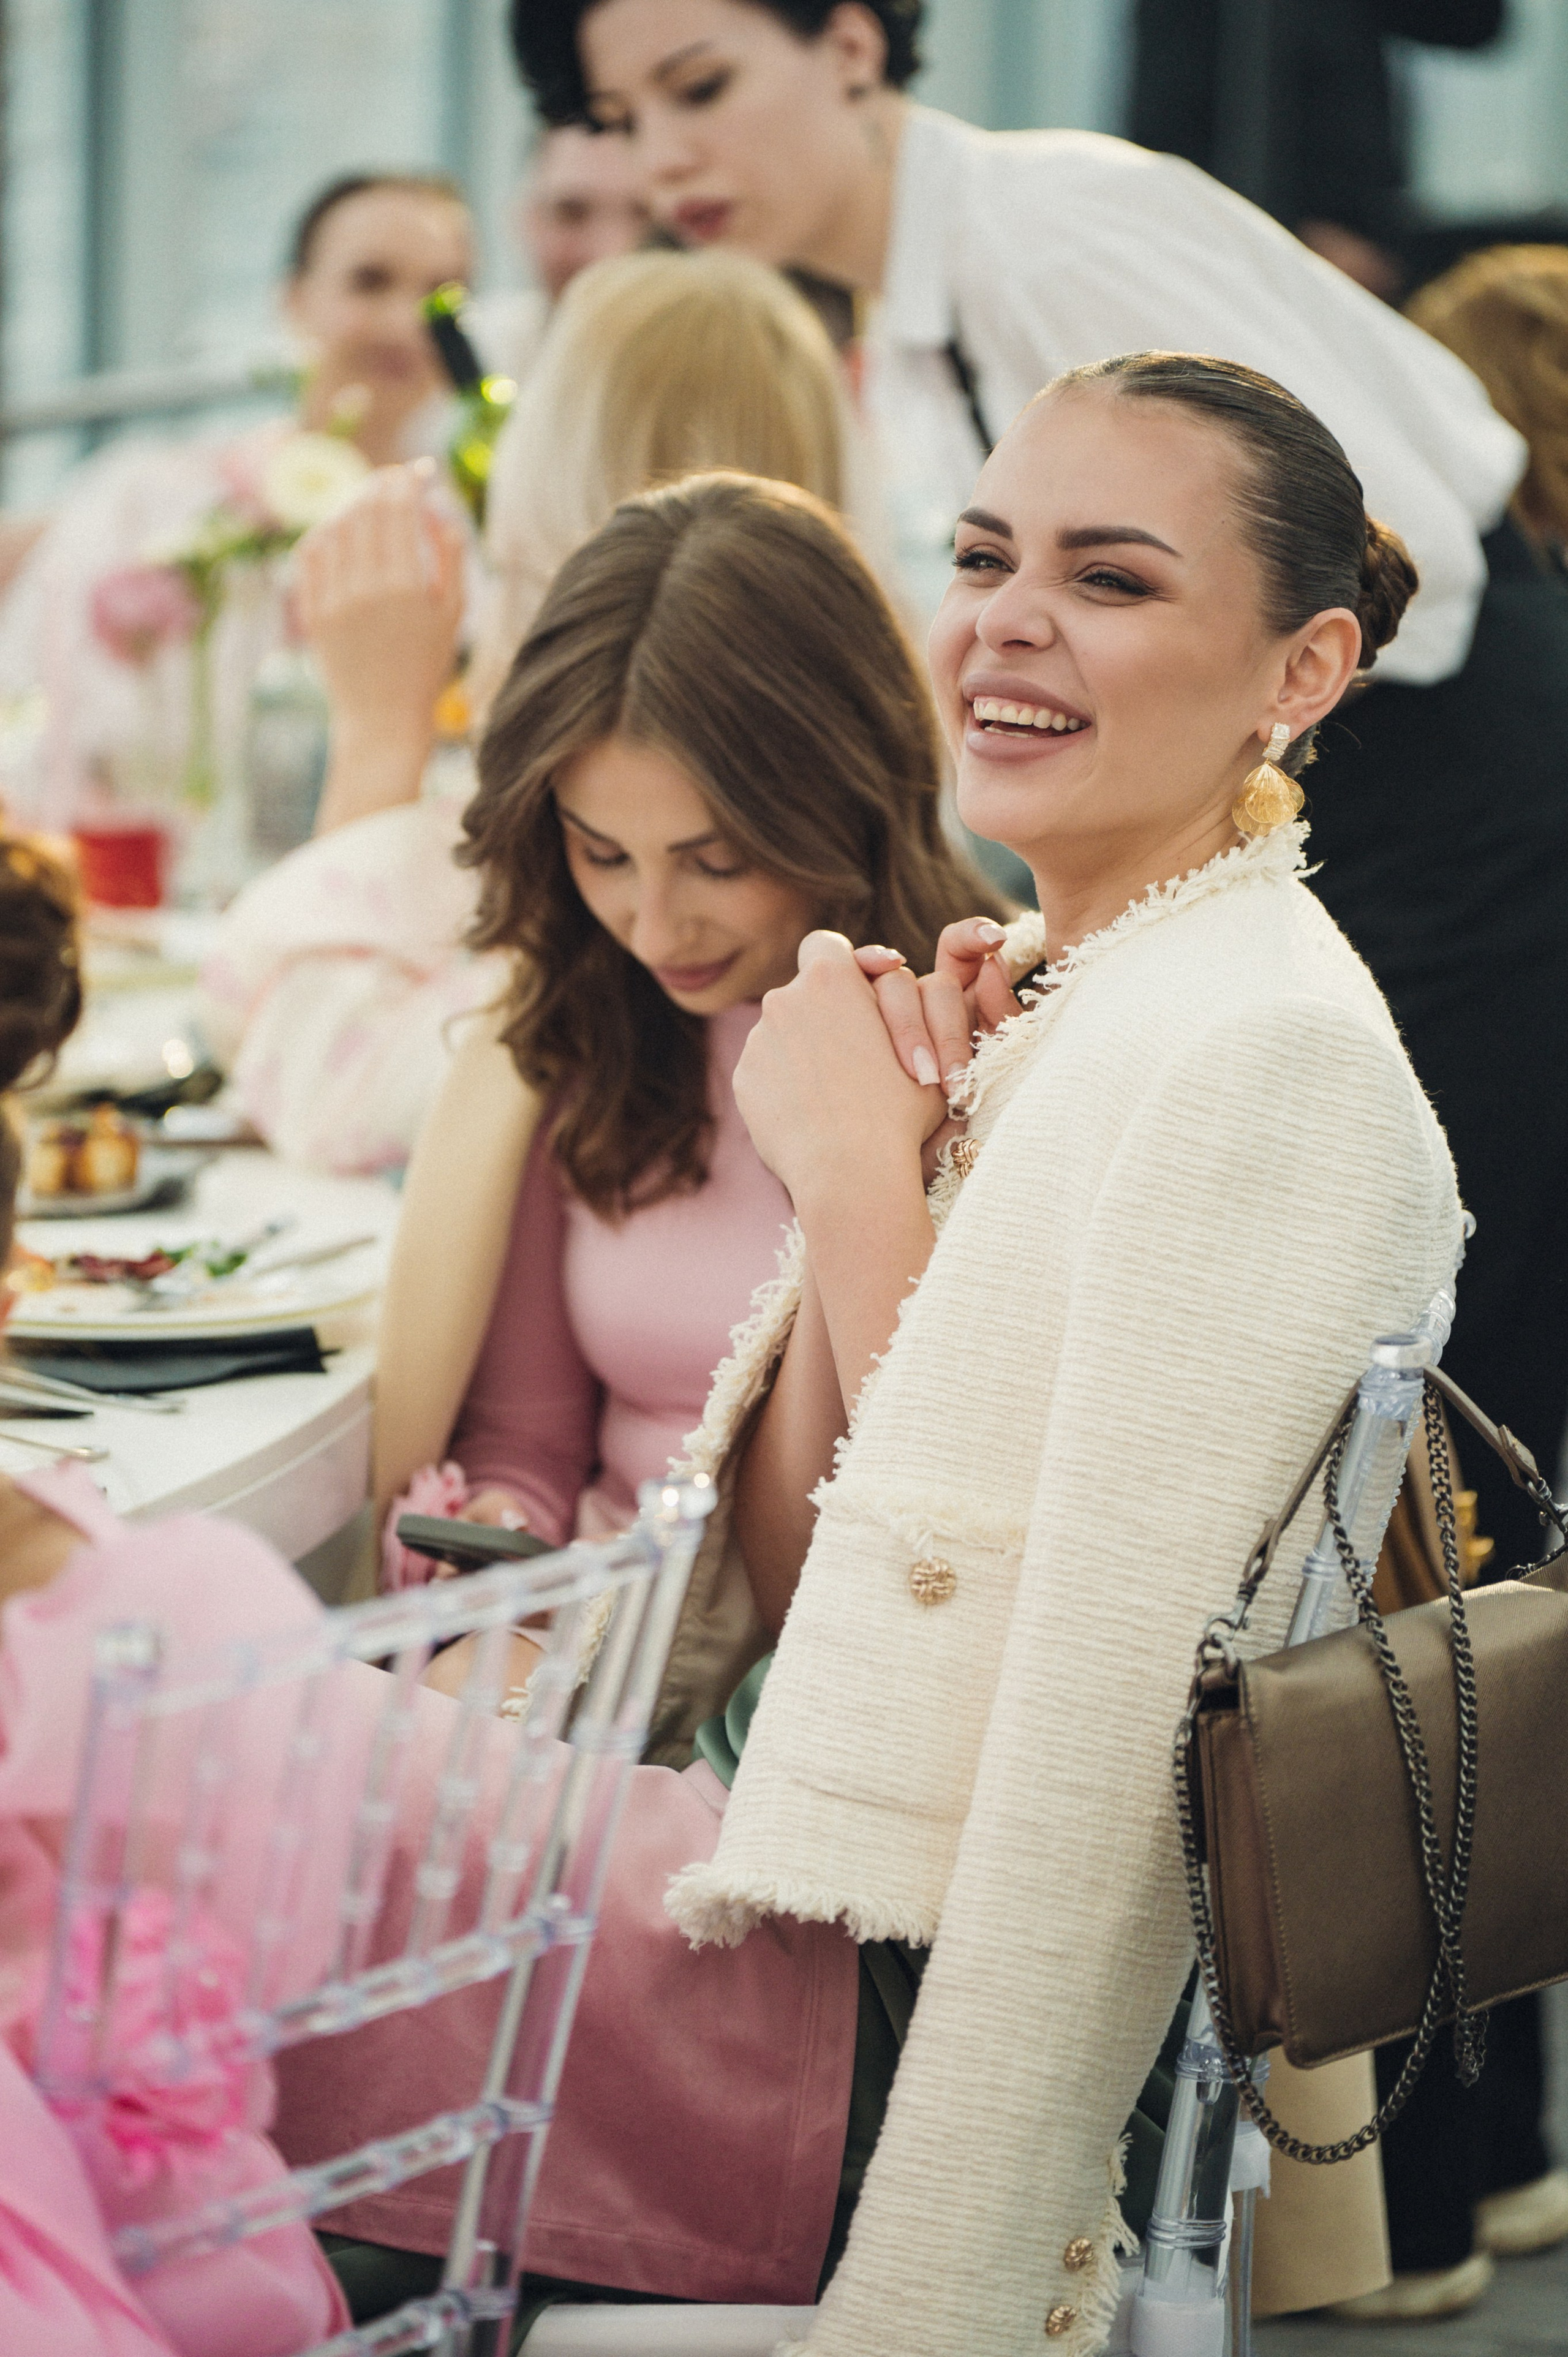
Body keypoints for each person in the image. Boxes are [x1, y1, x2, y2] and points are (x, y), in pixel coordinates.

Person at [372, 472, 1004, 1746]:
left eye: (715, 860)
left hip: (840, 1689)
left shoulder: (974, 1038)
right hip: (588, 1656)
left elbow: (969, 1508)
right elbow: (530, 1443)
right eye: (600, 853)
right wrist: (497, 1538)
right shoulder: (586, 1029)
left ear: (842, 795)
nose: (653, 925)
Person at [507, 0, 1523, 643]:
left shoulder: (1047, 231)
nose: (660, 162)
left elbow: (1406, 561)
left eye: (699, 89)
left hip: (1453, 801)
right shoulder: (904, 314)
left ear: (853, 46)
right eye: (620, 120)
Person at [198, 249, 878, 1173]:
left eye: (516, 572)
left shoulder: (640, 913)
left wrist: (377, 736)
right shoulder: (860, 743)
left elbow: (329, 1094)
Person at [0, 172, 474, 836]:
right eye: (370, 281)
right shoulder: (147, 495)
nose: (406, 321)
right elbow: (33, 704)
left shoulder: (468, 540)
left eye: (441, 296)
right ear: (294, 299)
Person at [464, 120, 653, 387]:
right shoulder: (473, 356)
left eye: (643, 214)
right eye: (571, 213)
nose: (610, 252)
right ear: (524, 220)